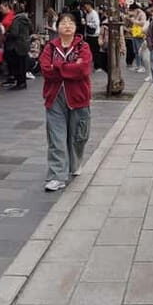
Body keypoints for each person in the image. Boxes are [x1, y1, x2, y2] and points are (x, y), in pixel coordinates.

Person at [40, 12, 92, 192]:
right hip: (55, 97)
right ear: (57, 27)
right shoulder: (50, 47)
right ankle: (57, 176)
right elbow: (46, 70)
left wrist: (59, 67)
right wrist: (70, 67)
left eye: (71, 23)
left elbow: (83, 69)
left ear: (76, 27)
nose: (67, 25)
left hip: (78, 97)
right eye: (63, 23)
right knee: (57, 138)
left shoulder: (83, 47)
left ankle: (74, 163)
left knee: (78, 136)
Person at [5, 2, 31, 90]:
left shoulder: (16, 20)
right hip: (25, 44)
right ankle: (23, 82)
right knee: (22, 64)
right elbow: (31, 30)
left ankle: (20, 83)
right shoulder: (27, 19)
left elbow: (14, 33)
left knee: (17, 64)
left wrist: (7, 33)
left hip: (17, 45)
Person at [128, 3, 147, 72]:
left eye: (132, 10)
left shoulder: (142, 14)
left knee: (140, 51)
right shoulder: (136, 14)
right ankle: (138, 65)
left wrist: (134, 21)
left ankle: (142, 66)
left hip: (140, 35)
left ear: (135, 9)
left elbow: (142, 23)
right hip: (135, 34)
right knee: (136, 51)